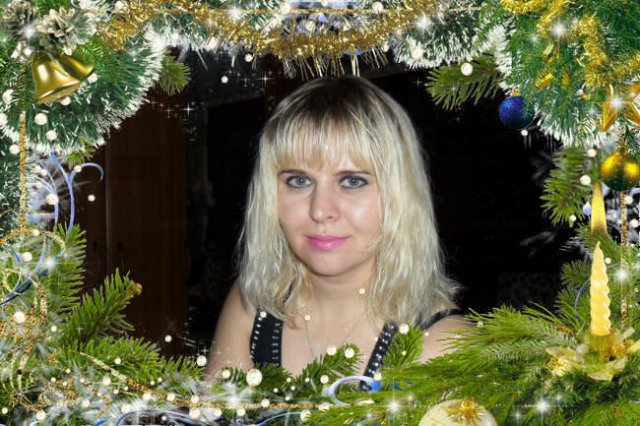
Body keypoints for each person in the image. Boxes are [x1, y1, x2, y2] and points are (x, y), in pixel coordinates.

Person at [207, 77, 466, 378]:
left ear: (400, 194)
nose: (320, 210)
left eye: (352, 181)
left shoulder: (445, 346)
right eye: (299, 181)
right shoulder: (252, 306)